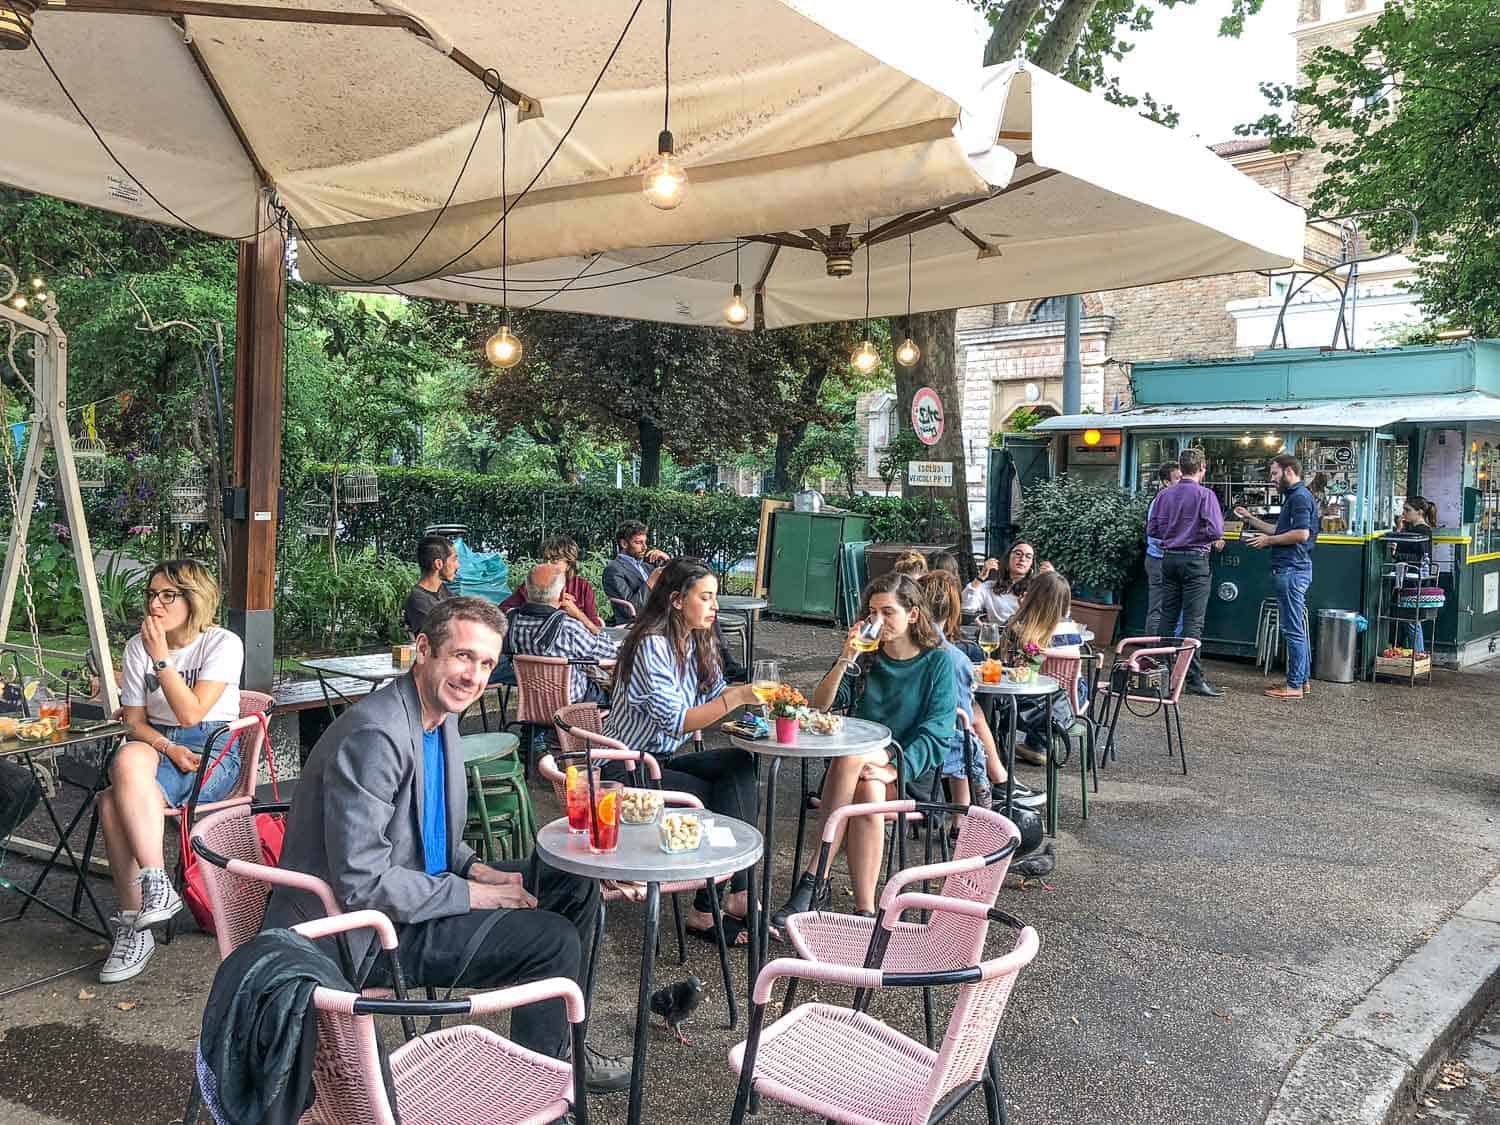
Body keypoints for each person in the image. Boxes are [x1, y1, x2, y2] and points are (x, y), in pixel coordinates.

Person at [262, 597, 630, 1092]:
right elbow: (363, 883)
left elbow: (432, 837)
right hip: (366, 933)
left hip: (419, 890)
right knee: (552, 941)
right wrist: (478, 896)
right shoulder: (376, 735)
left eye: (484, 663)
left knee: (571, 881)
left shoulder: (440, 718)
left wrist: (480, 870)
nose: (472, 676)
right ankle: (541, 1092)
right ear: (423, 649)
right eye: (461, 656)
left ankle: (560, 1052)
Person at [773, 572, 956, 925]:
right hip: (858, 773)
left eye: (888, 612)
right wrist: (846, 657)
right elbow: (821, 707)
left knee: (853, 755)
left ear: (913, 614)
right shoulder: (867, 657)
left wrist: (892, 764)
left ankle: (815, 879)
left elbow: (937, 734)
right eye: (873, 613)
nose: (878, 621)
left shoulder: (937, 661)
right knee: (867, 789)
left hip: (909, 768)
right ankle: (866, 912)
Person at [97, 560, 244, 983]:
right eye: (151, 594)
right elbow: (135, 723)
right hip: (160, 743)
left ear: (193, 599)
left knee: (110, 804)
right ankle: (157, 885)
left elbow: (191, 711)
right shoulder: (135, 646)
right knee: (126, 758)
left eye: (167, 595)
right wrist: (165, 747)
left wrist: (162, 659)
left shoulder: (222, 643)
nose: (155, 604)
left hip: (211, 749)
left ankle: (132, 927)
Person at [603, 558, 761, 942]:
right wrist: (739, 696)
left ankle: (737, 892)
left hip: (661, 760)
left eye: (714, 598)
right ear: (676, 600)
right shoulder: (651, 645)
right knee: (711, 796)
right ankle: (707, 910)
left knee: (739, 763)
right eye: (705, 598)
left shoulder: (694, 640)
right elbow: (679, 721)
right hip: (626, 769)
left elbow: (713, 694)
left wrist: (765, 702)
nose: (715, 607)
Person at [918, 571, 1044, 812]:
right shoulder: (953, 658)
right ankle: (991, 794)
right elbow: (958, 721)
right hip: (936, 748)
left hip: (905, 741)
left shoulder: (901, 649)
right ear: (953, 608)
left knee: (969, 720)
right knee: (967, 733)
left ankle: (997, 786)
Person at [1236, 453, 1319, 700]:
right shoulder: (1295, 497)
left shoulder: (1300, 498)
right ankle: (1302, 682)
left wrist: (1268, 541)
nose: (1272, 479)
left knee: (1292, 629)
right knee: (1295, 628)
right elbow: (1281, 530)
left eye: (1274, 473)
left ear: (1289, 471)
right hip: (1294, 568)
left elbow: (1302, 534)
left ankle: (1294, 686)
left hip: (1291, 569)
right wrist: (1251, 520)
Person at [1146, 448, 1226, 698]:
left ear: (1181, 468)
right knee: (1193, 621)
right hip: (1195, 560)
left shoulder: (1164, 495)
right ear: (1202, 467)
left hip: (1169, 559)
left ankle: (1160, 673)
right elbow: (1215, 531)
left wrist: (1176, 534)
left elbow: (1153, 529)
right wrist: (1194, 534)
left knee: (1167, 616)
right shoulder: (1206, 495)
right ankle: (1192, 677)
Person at [1003, 569, 1084, 765]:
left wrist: (1020, 611)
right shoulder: (1071, 628)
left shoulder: (1022, 628)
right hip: (1070, 699)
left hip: (1029, 702)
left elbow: (1009, 663)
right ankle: (1038, 746)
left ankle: (1000, 745)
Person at [505, 563, 617, 704]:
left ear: (526, 592)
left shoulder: (511, 622)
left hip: (532, 704)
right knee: (616, 689)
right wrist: (581, 617)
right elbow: (611, 653)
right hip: (574, 704)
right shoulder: (569, 628)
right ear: (562, 593)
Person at [499, 535, 603, 632]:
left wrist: (576, 613)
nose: (548, 564)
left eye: (554, 560)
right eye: (545, 559)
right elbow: (502, 611)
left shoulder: (582, 587)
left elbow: (595, 628)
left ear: (569, 564)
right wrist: (537, 603)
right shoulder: (533, 583)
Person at [1394, 496, 1439, 655]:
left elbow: (1420, 558)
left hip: (1414, 580)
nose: (1404, 513)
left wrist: (1396, 552)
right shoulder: (1415, 529)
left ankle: (1418, 655)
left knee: (1412, 620)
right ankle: (1413, 654)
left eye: (1407, 510)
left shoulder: (1421, 531)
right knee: (1410, 620)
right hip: (1412, 578)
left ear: (1419, 512)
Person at [1143, 461, 1183, 636]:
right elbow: (1154, 537)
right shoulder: (1160, 501)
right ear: (1166, 482)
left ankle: (1168, 652)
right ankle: (1150, 654)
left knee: (1174, 609)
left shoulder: (1178, 500)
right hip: (1158, 560)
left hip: (1171, 560)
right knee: (1158, 609)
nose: (1183, 481)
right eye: (1178, 478)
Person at [602, 520, 669, 623]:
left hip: (660, 619)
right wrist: (651, 581)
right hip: (638, 624)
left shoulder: (647, 566)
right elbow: (630, 610)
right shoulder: (613, 570)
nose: (645, 547)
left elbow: (673, 587)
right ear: (624, 544)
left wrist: (668, 562)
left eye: (645, 542)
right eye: (638, 542)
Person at [961, 541, 1037, 624]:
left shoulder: (1036, 588)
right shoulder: (989, 587)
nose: (1022, 559)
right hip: (995, 634)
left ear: (1031, 564)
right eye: (1018, 554)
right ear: (1008, 558)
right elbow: (967, 608)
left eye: (1028, 557)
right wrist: (981, 577)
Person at [403, 534, 457, 636]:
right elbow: (441, 636)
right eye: (454, 560)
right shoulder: (417, 600)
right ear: (438, 564)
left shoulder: (444, 591)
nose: (457, 565)